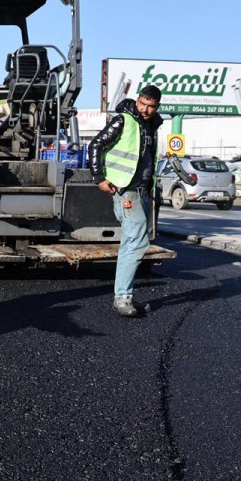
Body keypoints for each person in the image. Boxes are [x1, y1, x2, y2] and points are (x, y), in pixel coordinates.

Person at [87, 84, 163, 318]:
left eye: (151, 106)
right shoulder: (123, 120)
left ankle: (124, 296)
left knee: (131, 242)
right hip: (126, 189)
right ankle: (122, 298)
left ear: (157, 106)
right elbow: (96, 144)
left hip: (141, 191)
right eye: (142, 103)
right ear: (137, 99)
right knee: (137, 242)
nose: (145, 109)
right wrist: (99, 177)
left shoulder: (152, 125)